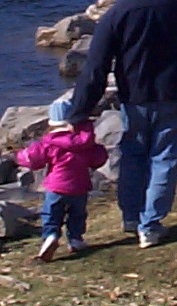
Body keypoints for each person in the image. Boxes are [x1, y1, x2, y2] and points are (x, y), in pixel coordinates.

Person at [69, 0, 177, 248]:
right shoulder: (175, 5)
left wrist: (79, 111)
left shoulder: (115, 13)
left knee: (133, 156)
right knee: (165, 158)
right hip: (174, 93)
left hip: (134, 98)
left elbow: (95, 68)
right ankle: (150, 225)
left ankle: (132, 216)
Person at [16, 99, 108, 262]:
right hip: (80, 186)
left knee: (51, 213)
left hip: (56, 186)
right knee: (77, 214)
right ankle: (75, 239)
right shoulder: (85, 144)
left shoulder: (49, 143)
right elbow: (98, 159)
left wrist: (19, 156)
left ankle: (50, 236)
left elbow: (32, 159)